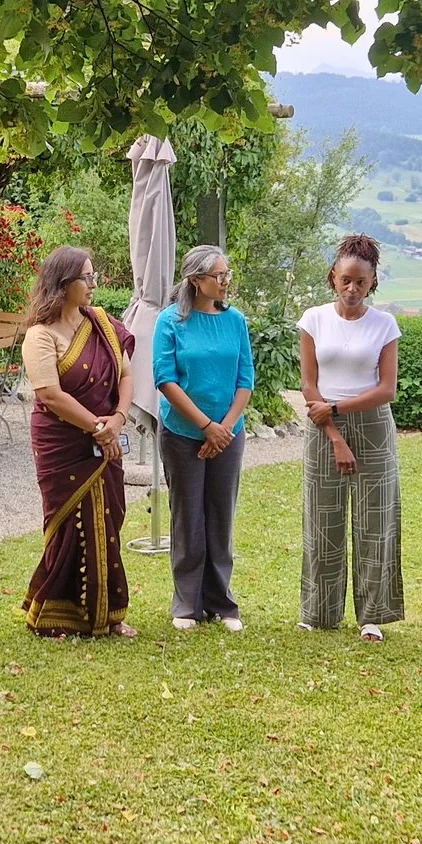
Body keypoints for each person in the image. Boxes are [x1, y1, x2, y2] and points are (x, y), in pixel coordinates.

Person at [20, 246, 138, 638]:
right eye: (85, 278)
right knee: (69, 522)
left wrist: (118, 420)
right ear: (62, 283)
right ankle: (59, 612)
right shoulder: (40, 335)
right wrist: (97, 427)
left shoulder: (102, 324)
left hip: (107, 435)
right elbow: (50, 394)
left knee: (109, 520)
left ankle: (109, 614)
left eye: (93, 277)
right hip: (62, 441)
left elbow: (125, 375)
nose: (92, 284)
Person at [297, 235, 404, 640]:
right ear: (333, 278)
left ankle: (372, 614)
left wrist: (338, 411)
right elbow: (309, 384)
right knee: (322, 516)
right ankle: (317, 610)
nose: (353, 289)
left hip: (372, 424)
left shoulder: (385, 324)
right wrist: (333, 433)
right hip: (321, 423)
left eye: (361, 282)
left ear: (373, 281)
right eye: (346, 280)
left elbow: (387, 388)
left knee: (375, 519)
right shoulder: (314, 320)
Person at [151, 244, 256, 631]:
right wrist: (205, 427)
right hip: (182, 434)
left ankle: (222, 603)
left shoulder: (236, 321)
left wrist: (223, 428)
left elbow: (245, 379)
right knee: (188, 518)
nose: (226, 282)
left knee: (220, 516)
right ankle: (186, 605)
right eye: (219, 276)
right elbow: (165, 379)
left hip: (229, 434)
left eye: (227, 275)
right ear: (196, 280)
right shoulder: (169, 321)